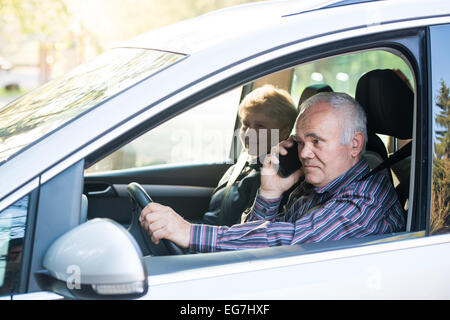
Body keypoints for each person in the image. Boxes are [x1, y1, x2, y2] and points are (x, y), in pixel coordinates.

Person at [139, 92, 406, 252]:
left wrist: (188, 232)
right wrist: (269, 193)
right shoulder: (315, 185)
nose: (303, 153)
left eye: (316, 141)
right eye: (300, 142)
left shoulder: (366, 200)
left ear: (355, 144)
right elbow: (253, 244)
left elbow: (288, 242)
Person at [199, 84, 298, 226]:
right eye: (245, 124)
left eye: (260, 126)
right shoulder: (245, 163)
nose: (248, 133)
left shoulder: (274, 179)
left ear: (284, 131)